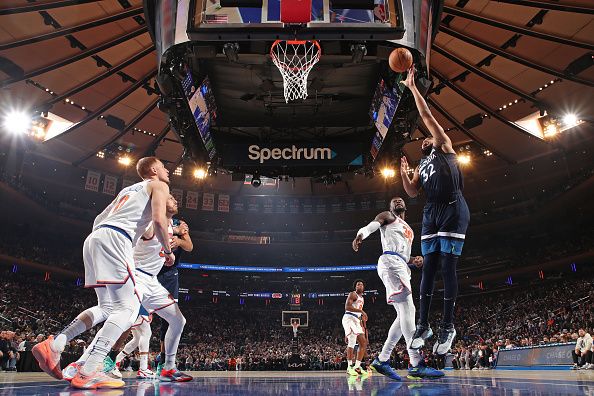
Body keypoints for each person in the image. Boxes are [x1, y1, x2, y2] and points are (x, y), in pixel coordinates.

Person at [32, 157, 173, 389]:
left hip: (95, 238)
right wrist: (167, 251)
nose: (167, 170)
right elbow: (159, 219)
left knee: (108, 307)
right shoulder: (159, 185)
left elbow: (99, 218)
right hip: (117, 239)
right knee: (128, 310)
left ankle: (56, 344)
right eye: (164, 166)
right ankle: (91, 368)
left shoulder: (128, 190)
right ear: (154, 169)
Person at [399, 67, 470, 356]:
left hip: (453, 207)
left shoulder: (444, 146)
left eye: (427, 137)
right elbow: (413, 192)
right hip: (431, 211)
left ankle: (448, 325)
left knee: (446, 267)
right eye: (423, 140)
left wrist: (413, 88)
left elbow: (427, 117)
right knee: (428, 268)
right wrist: (404, 174)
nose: (424, 139)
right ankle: (424, 324)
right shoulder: (423, 165)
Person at [353, 197, 444, 380]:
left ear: (405, 207)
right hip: (391, 262)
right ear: (390, 207)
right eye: (394, 200)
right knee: (408, 309)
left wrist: (414, 260)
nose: (397, 200)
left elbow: (404, 255)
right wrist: (360, 235)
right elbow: (372, 225)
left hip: (401, 264)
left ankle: (382, 359)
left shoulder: (408, 229)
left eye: (400, 199)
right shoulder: (388, 216)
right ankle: (416, 363)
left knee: (403, 315)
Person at [156, 218, 193, 373]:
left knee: (169, 320)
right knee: (136, 316)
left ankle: (163, 361)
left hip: (170, 275)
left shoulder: (180, 223)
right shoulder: (155, 218)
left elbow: (189, 246)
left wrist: (178, 240)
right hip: (151, 270)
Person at [342, 280, 368, 377]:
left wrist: (361, 322)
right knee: (352, 342)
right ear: (355, 287)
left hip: (356, 320)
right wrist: (362, 312)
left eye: (361, 284)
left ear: (363, 287)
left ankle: (357, 367)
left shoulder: (362, 298)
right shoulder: (353, 294)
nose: (359, 285)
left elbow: (359, 314)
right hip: (349, 318)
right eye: (358, 284)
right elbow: (347, 307)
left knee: (363, 343)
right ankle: (349, 367)